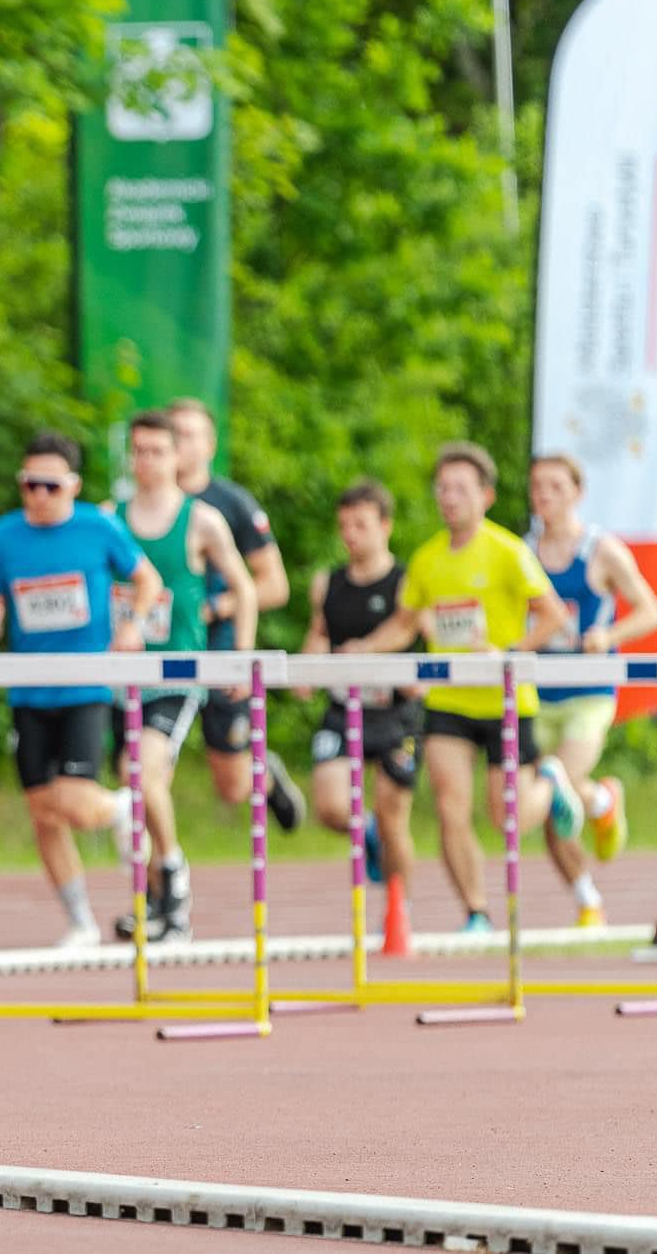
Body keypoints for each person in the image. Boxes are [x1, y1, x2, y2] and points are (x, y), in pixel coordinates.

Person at [345, 442, 583, 932]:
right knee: (451, 808)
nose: (449, 498)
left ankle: (551, 779)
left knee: (504, 817)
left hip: (505, 702)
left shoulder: (507, 551)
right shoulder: (428, 559)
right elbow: (405, 624)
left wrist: (511, 654)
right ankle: (476, 911)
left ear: (486, 496)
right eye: (442, 489)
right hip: (449, 702)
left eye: (460, 489)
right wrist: (365, 648)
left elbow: (555, 616)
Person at [0, 431, 152, 947]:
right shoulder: (2, 537)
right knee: (41, 812)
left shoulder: (99, 527)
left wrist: (132, 625)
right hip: (29, 690)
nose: (39, 495)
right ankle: (81, 922)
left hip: (84, 684)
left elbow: (148, 580)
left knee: (72, 800)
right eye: (29, 485)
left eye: (50, 486)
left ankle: (122, 809)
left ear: (72, 485)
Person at [111, 410, 257, 942]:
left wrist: (240, 656)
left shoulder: (201, 520)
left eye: (156, 451)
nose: (146, 461)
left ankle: (172, 881)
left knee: (143, 770)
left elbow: (244, 588)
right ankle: (158, 902)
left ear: (177, 457)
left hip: (176, 673)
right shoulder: (111, 518)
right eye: (138, 451)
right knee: (144, 790)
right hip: (120, 678)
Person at [528, 452, 657, 926]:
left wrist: (609, 637)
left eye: (555, 486)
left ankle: (602, 803)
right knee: (550, 805)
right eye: (537, 486)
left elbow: (651, 611)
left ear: (578, 493)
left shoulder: (602, 550)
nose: (544, 494)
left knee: (555, 779)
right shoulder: (521, 550)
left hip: (589, 689)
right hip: (538, 692)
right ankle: (589, 897)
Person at [167, 398, 305, 832]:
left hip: (220, 645)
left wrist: (218, 606)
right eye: (171, 433)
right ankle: (163, 883)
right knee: (148, 765)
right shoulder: (148, 506)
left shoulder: (232, 505)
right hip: (167, 645)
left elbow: (274, 585)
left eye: (188, 434)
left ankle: (263, 774)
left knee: (230, 785)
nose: (178, 443)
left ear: (209, 445)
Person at [293, 479, 423, 924]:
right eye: (344, 525)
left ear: (384, 526)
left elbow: (407, 629)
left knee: (394, 816)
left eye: (361, 525)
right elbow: (318, 631)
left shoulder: (407, 582)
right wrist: (306, 670)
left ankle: (397, 908)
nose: (351, 534)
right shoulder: (326, 582)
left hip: (394, 712)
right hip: (343, 710)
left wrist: (367, 650)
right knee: (330, 807)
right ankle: (364, 831)